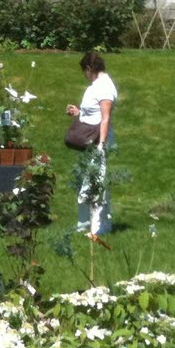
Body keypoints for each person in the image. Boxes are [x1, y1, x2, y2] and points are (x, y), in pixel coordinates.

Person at [65, 50, 117, 235]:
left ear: (89, 69)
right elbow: (93, 114)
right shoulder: (96, 85)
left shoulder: (105, 87)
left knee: (94, 183)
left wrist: (101, 145)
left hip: (99, 141)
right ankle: (88, 224)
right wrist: (78, 112)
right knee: (88, 181)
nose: (85, 76)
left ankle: (97, 229)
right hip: (90, 141)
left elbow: (105, 118)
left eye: (84, 72)